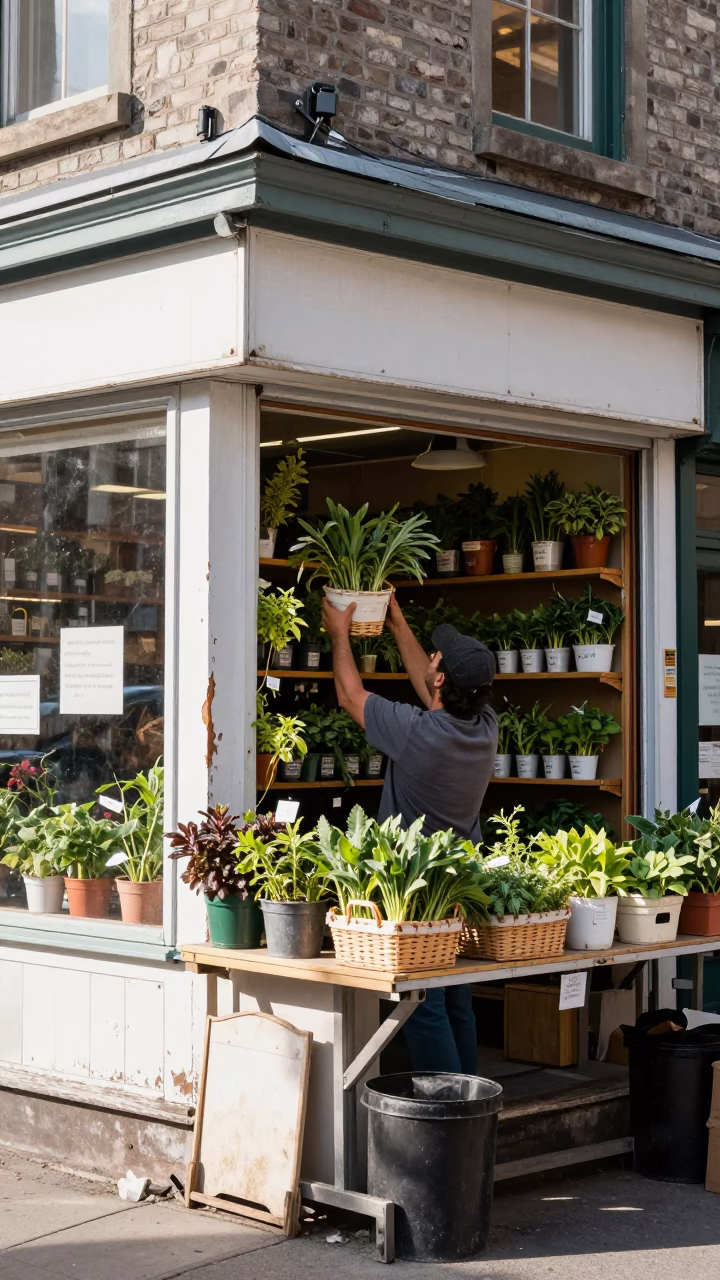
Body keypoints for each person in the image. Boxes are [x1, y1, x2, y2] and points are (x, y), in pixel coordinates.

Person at [321, 592, 498, 1074]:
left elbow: (349, 696)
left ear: (441, 678)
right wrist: (396, 622)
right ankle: (468, 1100)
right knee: (457, 998)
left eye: (437, 657)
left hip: (420, 885)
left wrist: (340, 636)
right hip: (462, 883)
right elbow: (433, 690)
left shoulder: (417, 732)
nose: (433, 657)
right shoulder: (484, 726)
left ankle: (444, 1109)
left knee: (424, 1004)